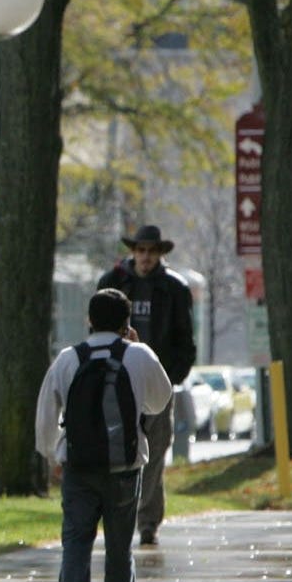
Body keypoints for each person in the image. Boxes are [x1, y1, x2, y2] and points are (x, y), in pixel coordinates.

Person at [35, 289, 175, 582]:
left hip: (78, 468)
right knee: (118, 546)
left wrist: (51, 454)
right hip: (125, 468)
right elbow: (160, 400)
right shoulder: (138, 355)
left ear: (89, 321)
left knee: (76, 542)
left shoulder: (68, 359)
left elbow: (46, 416)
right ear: (127, 323)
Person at [96, 224, 196, 546]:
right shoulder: (111, 284)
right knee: (116, 450)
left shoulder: (175, 289)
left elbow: (185, 341)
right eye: (140, 250)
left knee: (155, 449)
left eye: (152, 251)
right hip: (117, 382)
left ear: (160, 254)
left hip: (156, 382)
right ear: (133, 252)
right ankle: (120, 514)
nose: (145, 257)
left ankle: (148, 520)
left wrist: (171, 377)